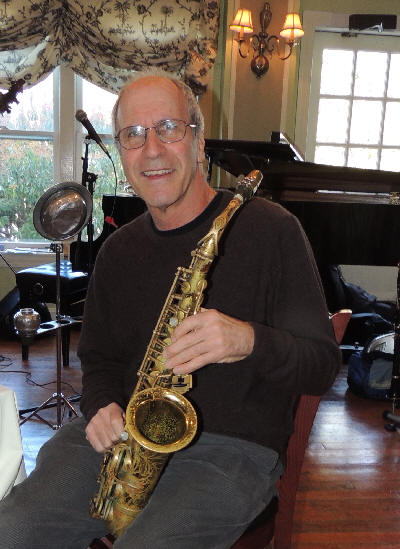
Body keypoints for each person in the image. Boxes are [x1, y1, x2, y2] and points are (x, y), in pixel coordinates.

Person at [0, 69, 341, 549]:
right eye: (134, 135)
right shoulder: (117, 251)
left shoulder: (272, 230)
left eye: (169, 128)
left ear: (199, 143)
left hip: (233, 451)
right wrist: (100, 408)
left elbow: (322, 367)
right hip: (125, 439)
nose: (152, 149)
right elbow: (99, 361)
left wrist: (249, 341)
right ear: (122, 152)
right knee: (11, 529)